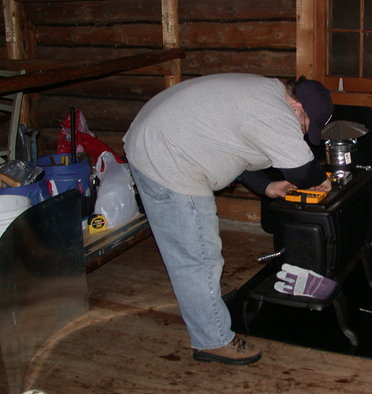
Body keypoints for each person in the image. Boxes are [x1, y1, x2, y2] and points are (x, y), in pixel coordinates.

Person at [123, 73, 333, 364]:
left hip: (156, 140)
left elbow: (228, 141)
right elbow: (301, 171)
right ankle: (212, 339)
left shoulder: (263, 93)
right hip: (166, 158)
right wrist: (322, 180)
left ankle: (204, 307)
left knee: (196, 253)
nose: (302, 135)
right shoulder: (275, 111)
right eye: (306, 128)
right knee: (197, 257)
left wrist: (265, 186)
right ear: (297, 108)